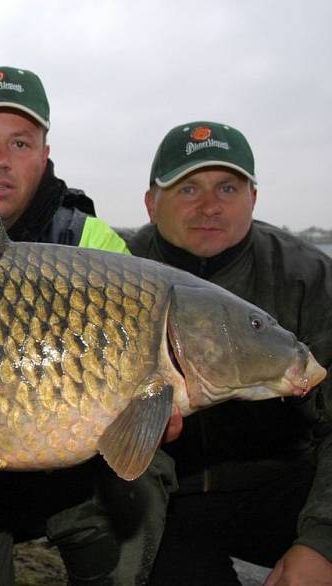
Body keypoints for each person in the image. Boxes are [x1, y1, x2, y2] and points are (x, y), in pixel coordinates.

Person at [0, 66, 178, 585]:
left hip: (72, 473)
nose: (0, 161)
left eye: (20, 142)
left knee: (142, 480)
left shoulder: (96, 246)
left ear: (45, 154)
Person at [127, 120, 332, 585]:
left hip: (283, 488)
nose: (210, 207)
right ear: (151, 203)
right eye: (187, 188)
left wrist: (323, 543)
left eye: (227, 187)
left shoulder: (310, 279)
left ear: (254, 199)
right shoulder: (114, 273)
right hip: (164, 498)